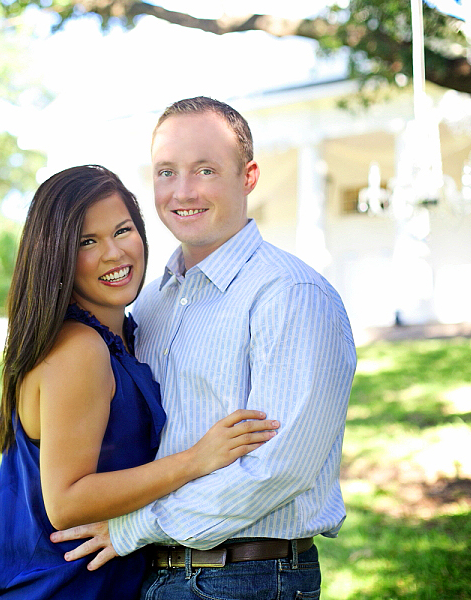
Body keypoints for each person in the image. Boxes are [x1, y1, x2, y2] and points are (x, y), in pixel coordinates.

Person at [52, 97, 358, 599]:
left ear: (249, 177)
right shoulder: (148, 304)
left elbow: (278, 469)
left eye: (205, 170)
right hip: (147, 573)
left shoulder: (290, 296)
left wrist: (132, 528)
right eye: (166, 172)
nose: (182, 191)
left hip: (246, 576)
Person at [0, 164, 281, 599]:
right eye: (87, 241)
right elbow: (66, 503)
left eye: (122, 231)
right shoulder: (79, 349)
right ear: (56, 255)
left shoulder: (124, 336)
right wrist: (196, 460)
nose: (114, 253)